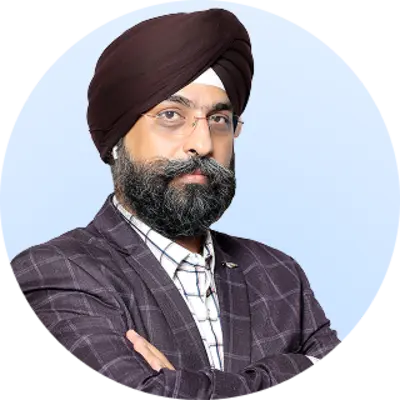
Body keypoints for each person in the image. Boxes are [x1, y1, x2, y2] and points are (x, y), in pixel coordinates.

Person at [8, 8, 342, 398]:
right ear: (116, 141)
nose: (203, 143)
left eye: (219, 120)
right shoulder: (55, 272)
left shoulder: (278, 273)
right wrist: (297, 366)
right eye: (171, 115)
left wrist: (179, 384)